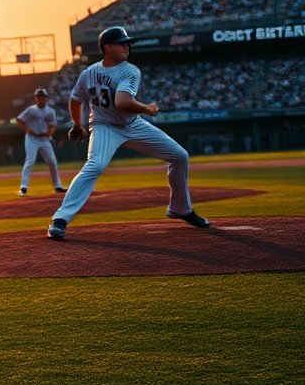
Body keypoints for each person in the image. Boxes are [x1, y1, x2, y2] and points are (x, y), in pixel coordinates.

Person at [46, 27, 210, 239]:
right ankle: (60, 218)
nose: (127, 46)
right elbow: (121, 102)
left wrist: (78, 124)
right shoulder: (117, 71)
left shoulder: (105, 71)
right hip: (105, 126)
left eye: (127, 43)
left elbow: (76, 98)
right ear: (107, 47)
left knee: (179, 156)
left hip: (133, 125)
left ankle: (180, 208)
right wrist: (147, 109)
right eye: (122, 43)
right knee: (96, 165)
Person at [15, 88, 65, 196]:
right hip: (31, 138)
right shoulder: (31, 110)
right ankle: (23, 187)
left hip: (44, 139)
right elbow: (19, 120)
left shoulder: (50, 111)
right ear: (35, 98)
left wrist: (49, 133)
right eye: (39, 97)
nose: (41, 98)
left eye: (43, 97)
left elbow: (52, 125)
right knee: (30, 161)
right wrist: (28, 130)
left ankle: (57, 186)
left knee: (52, 161)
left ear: (46, 98)